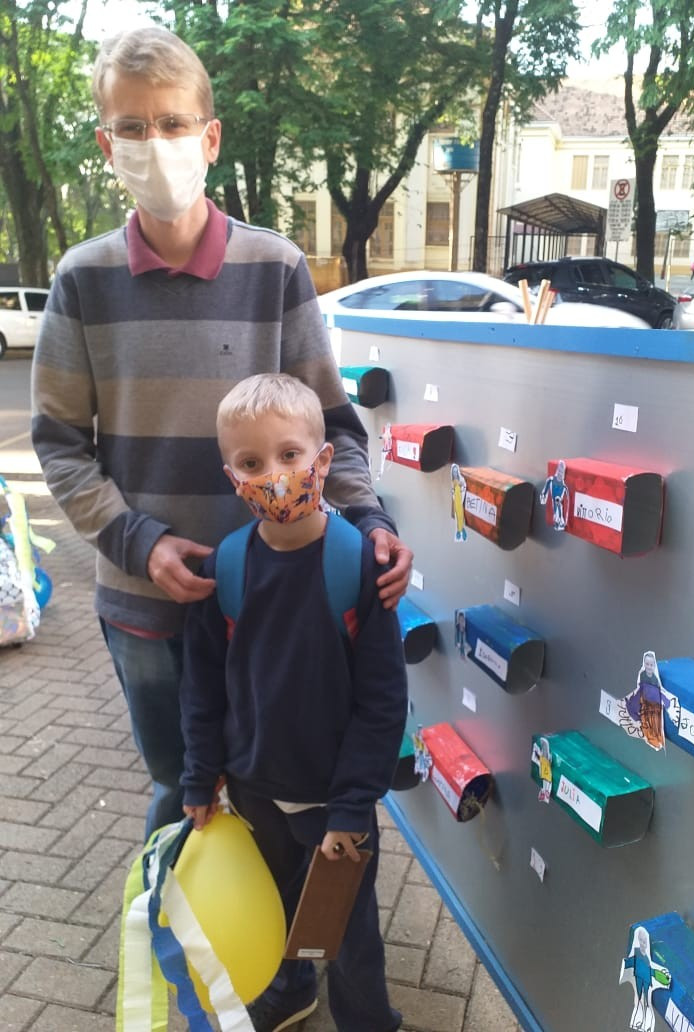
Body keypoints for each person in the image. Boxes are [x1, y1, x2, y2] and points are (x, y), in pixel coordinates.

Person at [30, 27, 412, 839]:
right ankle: (183, 921)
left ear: (209, 138)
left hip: (282, 600)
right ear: (106, 144)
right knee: (183, 793)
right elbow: (60, 443)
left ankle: (287, 922)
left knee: (288, 789)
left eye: (172, 122)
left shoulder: (275, 267)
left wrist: (370, 521)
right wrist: (139, 544)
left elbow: (333, 429)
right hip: (145, 603)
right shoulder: (81, 279)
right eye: (132, 127)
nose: (153, 142)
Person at [180, 373, 407, 1032]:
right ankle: (286, 994)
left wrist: (353, 805)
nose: (274, 476)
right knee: (276, 914)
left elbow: (382, 702)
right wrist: (200, 774)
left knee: (350, 934)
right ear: (232, 477)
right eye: (252, 463)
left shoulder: (359, 567)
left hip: (335, 800)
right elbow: (203, 686)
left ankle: (367, 1021)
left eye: (289, 454)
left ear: (323, 459)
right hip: (254, 791)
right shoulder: (226, 567)